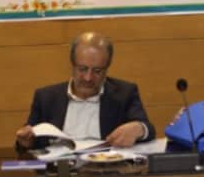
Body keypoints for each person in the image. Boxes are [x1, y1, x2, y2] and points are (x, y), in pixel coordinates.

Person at [15, 31, 154, 150]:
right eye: (82, 69)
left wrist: (140, 129)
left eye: (97, 71)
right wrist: (26, 142)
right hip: (59, 168)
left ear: (107, 68)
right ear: (72, 65)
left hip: (105, 168)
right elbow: (27, 140)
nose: (88, 78)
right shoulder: (46, 97)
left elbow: (149, 129)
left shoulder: (124, 93)